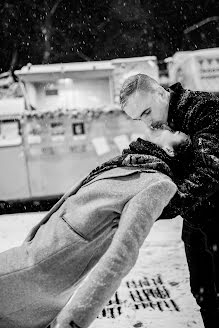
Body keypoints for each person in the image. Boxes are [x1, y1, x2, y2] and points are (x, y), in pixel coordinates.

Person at [0, 126, 191, 328]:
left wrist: (73, 321)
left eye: (177, 132)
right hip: (26, 263)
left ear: (170, 150)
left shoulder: (158, 183)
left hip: (34, 279)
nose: (167, 126)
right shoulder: (128, 163)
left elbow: (122, 256)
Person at [120, 73, 219, 328]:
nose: (146, 122)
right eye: (138, 118)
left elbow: (209, 173)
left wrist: (162, 203)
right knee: (203, 294)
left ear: (162, 94)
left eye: (146, 112)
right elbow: (149, 152)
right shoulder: (166, 123)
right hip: (198, 223)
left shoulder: (203, 109)